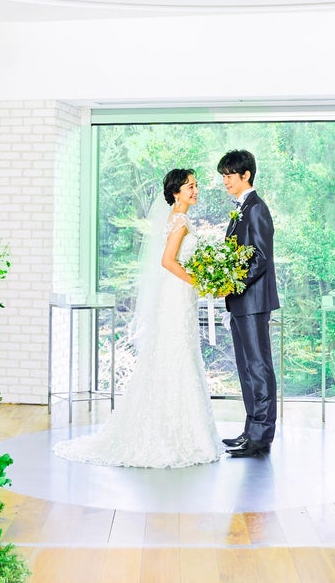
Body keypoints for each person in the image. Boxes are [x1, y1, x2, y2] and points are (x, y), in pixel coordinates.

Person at [52, 167, 223, 468]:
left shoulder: (176, 218)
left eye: (196, 186)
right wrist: (200, 282)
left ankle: (179, 428)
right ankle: (178, 435)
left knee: (177, 353)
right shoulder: (180, 221)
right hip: (177, 293)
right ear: (176, 193)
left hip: (178, 294)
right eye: (190, 187)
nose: (196, 191)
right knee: (177, 353)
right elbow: (167, 261)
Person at [217, 149, 278, 458]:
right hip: (240, 302)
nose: (225, 181)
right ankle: (250, 430)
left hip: (252, 300)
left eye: (230, 175)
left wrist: (232, 284)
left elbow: (261, 258)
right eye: (224, 176)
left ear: (246, 175)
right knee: (245, 369)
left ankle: (261, 435)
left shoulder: (256, 209)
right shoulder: (241, 209)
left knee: (258, 368)